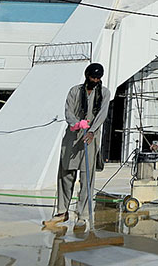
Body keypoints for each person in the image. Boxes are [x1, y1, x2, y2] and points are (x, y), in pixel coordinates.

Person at [43, 63, 110, 228]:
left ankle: (82, 215)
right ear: (87, 75)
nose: (95, 80)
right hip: (73, 137)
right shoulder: (74, 91)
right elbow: (68, 111)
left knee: (87, 177)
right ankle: (61, 212)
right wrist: (77, 124)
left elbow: (102, 114)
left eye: (98, 78)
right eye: (93, 77)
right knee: (65, 174)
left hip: (90, 138)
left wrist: (92, 131)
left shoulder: (104, 92)